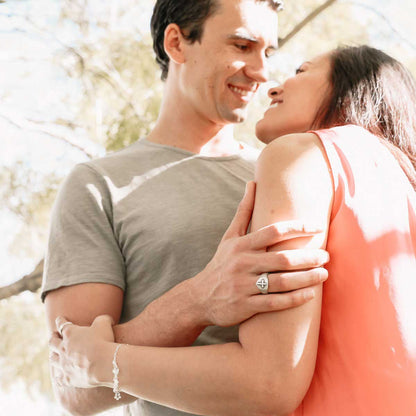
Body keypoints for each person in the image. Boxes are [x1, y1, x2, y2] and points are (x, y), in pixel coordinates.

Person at [50, 45, 416, 415]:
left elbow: (267, 383)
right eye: (241, 46)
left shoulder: (295, 157)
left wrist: (103, 363)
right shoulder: (401, 181)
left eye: (301, 70)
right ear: (177, 43)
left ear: (351, 91)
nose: (270, 83)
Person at [42, 1, 330, 415]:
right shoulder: (97, 186)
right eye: (242, 45)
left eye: (268, 52)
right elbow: (75, 389)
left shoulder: (294, 176)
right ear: (177, 42)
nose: (262, 72)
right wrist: (197, 301)